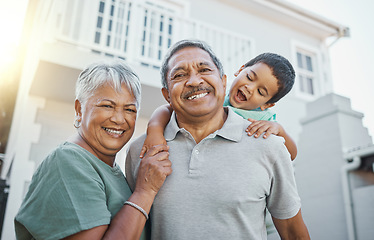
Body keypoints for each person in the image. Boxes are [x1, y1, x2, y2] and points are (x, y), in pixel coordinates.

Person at [126, 39, 310, 239]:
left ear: (222, 81)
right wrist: (154, 130)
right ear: (167, 94)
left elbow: (293, 231)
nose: (195, 81)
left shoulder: (269, 142)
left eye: (204, 70)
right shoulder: (140, 151)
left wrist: (280, 131)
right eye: (179, 75)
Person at [14, 59, 172, 240]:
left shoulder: (110, 170)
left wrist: (155, 127)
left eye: (129, 109)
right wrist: (145, 191)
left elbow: (173, 106)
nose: (119, 119)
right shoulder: (68, 161)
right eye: (107, 106)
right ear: (79, 109)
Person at [140, 52, 297, 161]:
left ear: (267, 104)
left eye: (260, 92)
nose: (250, 88)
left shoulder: (265, 120)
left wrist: (280, 130)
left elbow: (291, 154)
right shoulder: (216, 96)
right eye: (249, 77)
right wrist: (154, 130)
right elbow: (167, 108)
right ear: (240, 70)